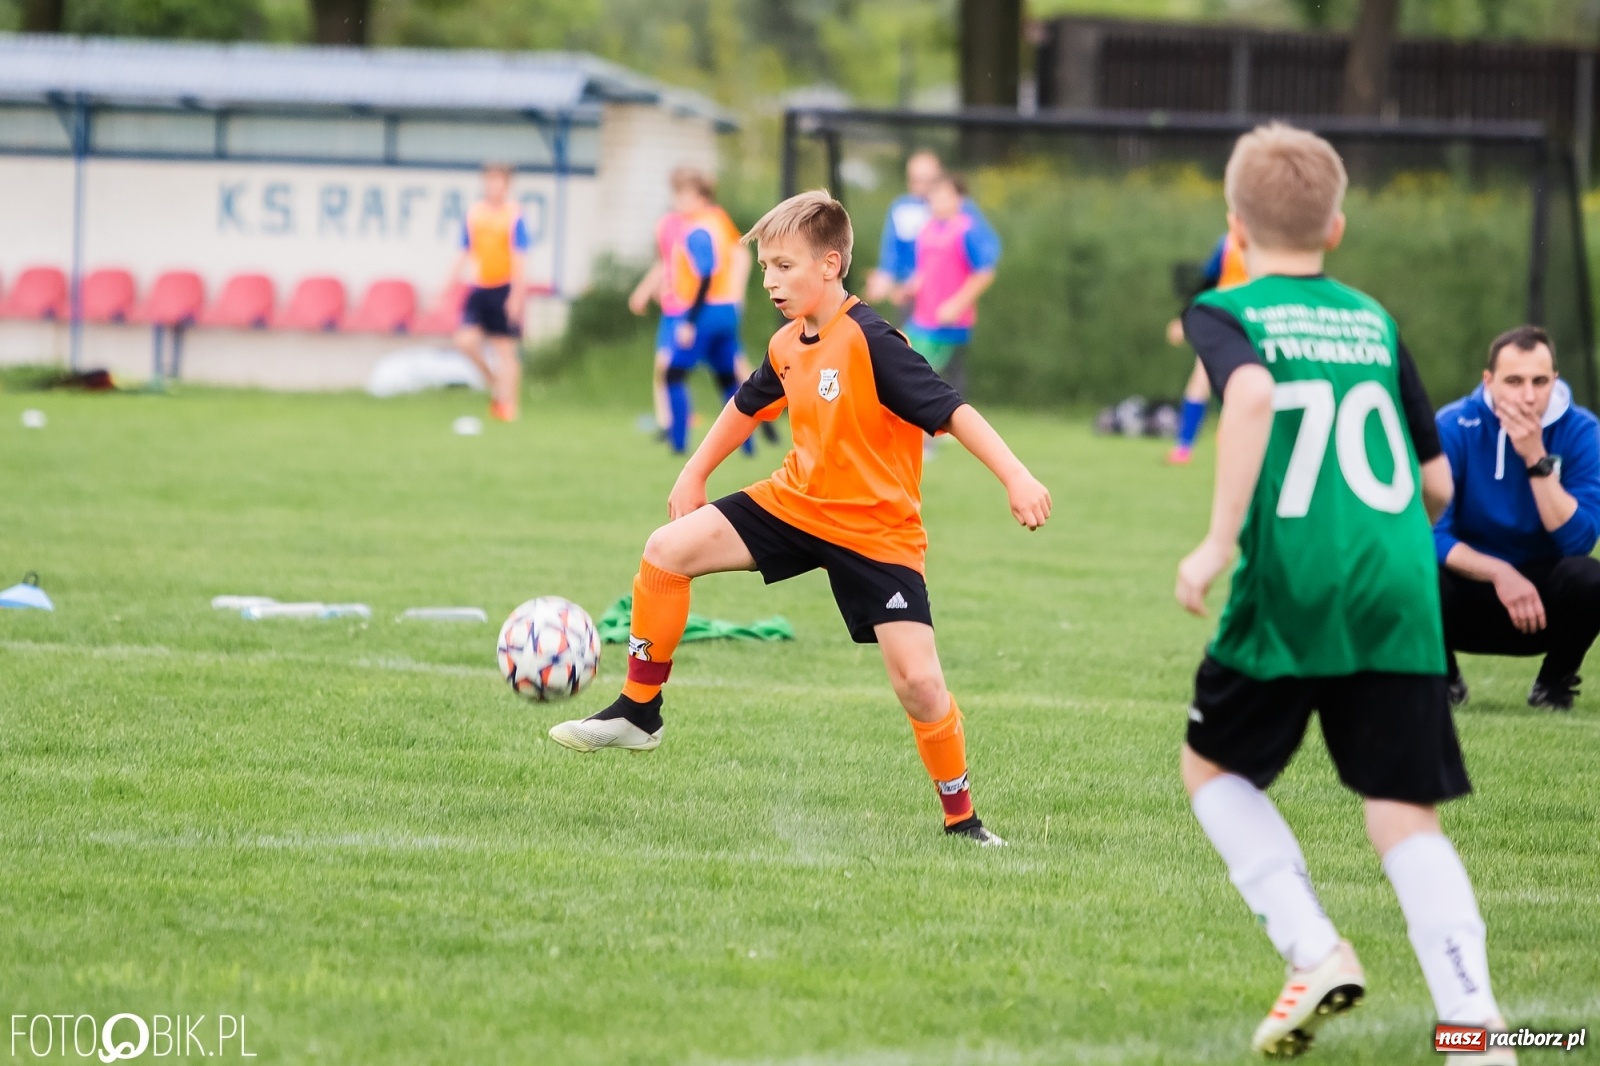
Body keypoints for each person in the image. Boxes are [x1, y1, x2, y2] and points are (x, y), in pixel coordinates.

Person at [548, 190, 1053, 847]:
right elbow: (747, 403)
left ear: (830, 265)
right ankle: (641, 710)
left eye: (784, 266)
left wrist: (1016, 476)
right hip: (797, 503)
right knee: (666, 549)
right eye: (764, 268)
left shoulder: (872, 341)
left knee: (920, 683)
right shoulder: (788, 343)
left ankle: (963, 821)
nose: (770, 281)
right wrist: (693, 471)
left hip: (876, 532)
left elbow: (952, 411)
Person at [1175, 123, 1514, 1063]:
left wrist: (1213, 546)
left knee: (1213, 769)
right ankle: (1477, 1029)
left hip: (1297, 576)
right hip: (1403, 580)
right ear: (1339, 226)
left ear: (1235, 226)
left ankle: (1313, 948)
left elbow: (1247, 399)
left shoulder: (1227, 308)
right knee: (1403, 809)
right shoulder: (1375, 320)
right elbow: (1440, 486)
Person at [1434, 325, 1600, 712]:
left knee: (1589, 577)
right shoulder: (1452, 425)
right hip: (1468, 592)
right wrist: (1498, 573)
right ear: (1488, 381)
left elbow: (1579, 541)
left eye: (1540, 381)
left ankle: (1554, 683)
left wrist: (1534, 457)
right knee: (1410, 570)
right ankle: (1442, 678)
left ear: (1554, 380)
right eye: (1513, 381)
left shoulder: (1583, 431)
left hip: (1540, 606)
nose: (1528, 396)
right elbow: (1432, 532)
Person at [629, 168, 756, 455]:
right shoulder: (717, 222)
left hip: (706, 311)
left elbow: (705, 276)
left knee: (673, 374)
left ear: (700, 198)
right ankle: (748, 444)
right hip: (726, 310)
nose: (678, 202)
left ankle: (678, 443)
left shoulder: (698, 228)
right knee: (727, 378)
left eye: (684, 196)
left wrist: (689, 320)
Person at [864, 150, 998, 318]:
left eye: (930, 181)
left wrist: (957, 302)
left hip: (947, 301)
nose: (923, 188)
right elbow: (892, 253)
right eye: (916, 180)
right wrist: (886, 279)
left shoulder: (961, 213)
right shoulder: (902, 209)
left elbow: (984, 261)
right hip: (913, 303)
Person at [899, 174, 1000, 397]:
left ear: (959, 199)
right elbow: (924, 270)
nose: (937, 201)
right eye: (934, 196)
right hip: (923, 317)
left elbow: (984, 273)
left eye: (944, 196)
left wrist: (957, 304)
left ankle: (948, 427)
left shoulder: (966, 230)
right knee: (908, 366)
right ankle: (921, 427)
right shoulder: (927, 229)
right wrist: (910, 287)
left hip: (951, 322)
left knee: (943, 378)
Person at [447, 162, 528, 423]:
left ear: (507, 186)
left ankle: (509, 407)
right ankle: (493, 382)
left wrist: (516, 295)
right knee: (464, 342)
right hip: (480, 286)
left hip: (504, 287)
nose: (494, 187)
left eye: (499, 182)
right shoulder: (474, 214)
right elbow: (465, 250)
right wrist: (450, 280)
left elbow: (519, 258)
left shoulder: (514, 215)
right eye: (490, 181)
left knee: (505, 351)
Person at [1164, 232, 1250, 464]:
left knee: (1246, 385)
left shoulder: (1274, 243)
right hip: (1225, 322)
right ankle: (1183, 447)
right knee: (1201, 378)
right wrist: (1184, 318)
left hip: (1254, 324)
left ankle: (1232, 437)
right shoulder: (1228, 243)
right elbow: (1206, 284)